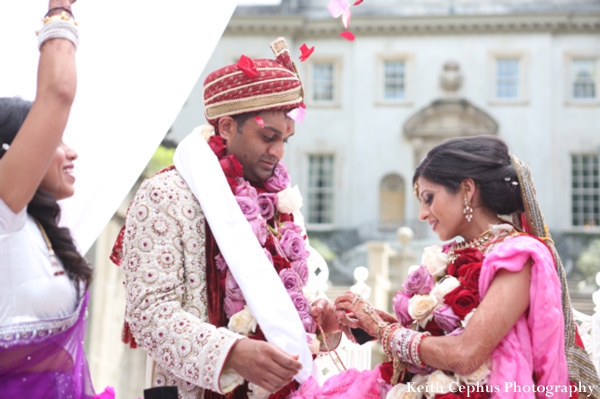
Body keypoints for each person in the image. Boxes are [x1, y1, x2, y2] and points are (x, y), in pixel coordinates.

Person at [111, 37, 342, 399]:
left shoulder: (277, 201)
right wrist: (231, 353)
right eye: (268, 136)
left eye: (286, 140)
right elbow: (149, 315)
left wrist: (322, 324)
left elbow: (284, 311)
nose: (278, 152)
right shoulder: (167, 194)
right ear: (226, 127)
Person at [294, 136, 600, 399]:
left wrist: (382, 330)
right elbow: (439, 340)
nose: (423, 214)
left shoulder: (519, 258)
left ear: (467, 189)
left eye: (429, 197)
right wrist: (371, 324)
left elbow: (465, 354)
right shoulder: (451, 255)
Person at [0, 0, 95, 397]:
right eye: (54, 140)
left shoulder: (41, 229)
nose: (71, 152)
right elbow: (57, 92)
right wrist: (59, 10)